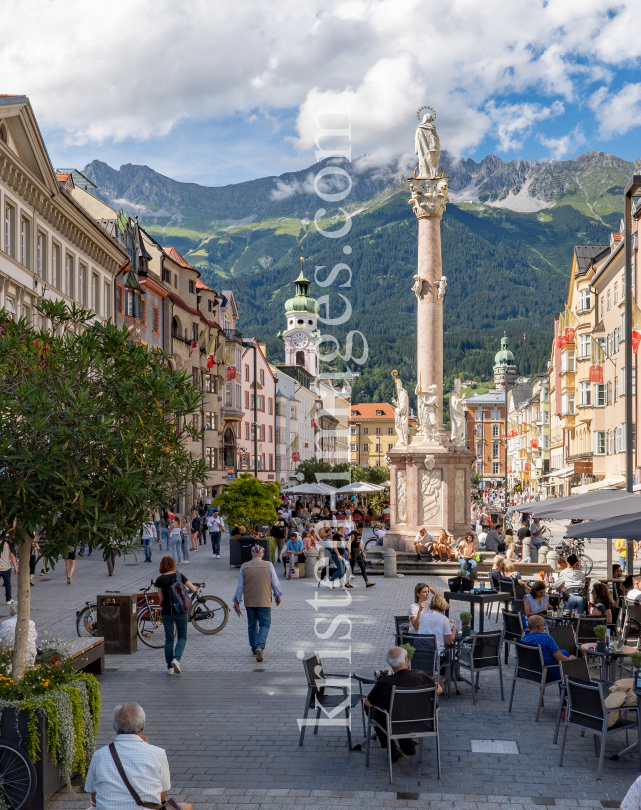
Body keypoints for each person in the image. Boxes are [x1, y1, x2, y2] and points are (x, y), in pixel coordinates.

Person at [84, 702, 193, 810]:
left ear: (115, 727)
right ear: (142, 727)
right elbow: (161, 797)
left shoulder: (99, 755)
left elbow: (94, 799)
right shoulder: (158, 753)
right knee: (187, 807)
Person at [364, 647, 441, 762]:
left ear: (390, 664)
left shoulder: (385, 682)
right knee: (400, 708)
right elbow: (439, 690)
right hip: (422, 722)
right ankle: (406, 743)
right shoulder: (420, 675)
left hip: (395, 723)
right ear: (406, 659)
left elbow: (368, 702)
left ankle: (391, 747)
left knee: (374, 708)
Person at [233, 545, 282, 662]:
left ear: (252, 554)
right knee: (265, 624)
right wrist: (277, 595)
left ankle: (254, 649)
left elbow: (240, 586)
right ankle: (260, 646)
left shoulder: (244, 566)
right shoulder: (268, 565)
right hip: (264, 600)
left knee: (252, 625)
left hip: (249, 600)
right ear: (262, 554)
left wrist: (236, 600)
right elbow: (275, 583)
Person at [154, 556, 197, 675]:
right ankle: (176, 659)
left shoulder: (160, 579)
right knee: (182, 637)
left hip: (167, 612)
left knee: (169, 639)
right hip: (180, 611)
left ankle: (170, 668)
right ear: (173, 565)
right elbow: (193, 589)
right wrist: (182, 593)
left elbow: (161, 597)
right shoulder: (179, 576)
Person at [522, 615, 575, 681]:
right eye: (544, 624)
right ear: (539, 627)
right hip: (547, 672)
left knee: (564, 652)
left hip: (530, 672)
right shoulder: (546, 638)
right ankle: (567, 689)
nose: (544, 627)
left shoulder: (524, 639)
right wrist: (572, 660)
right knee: (572, 665)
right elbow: (561, 659)